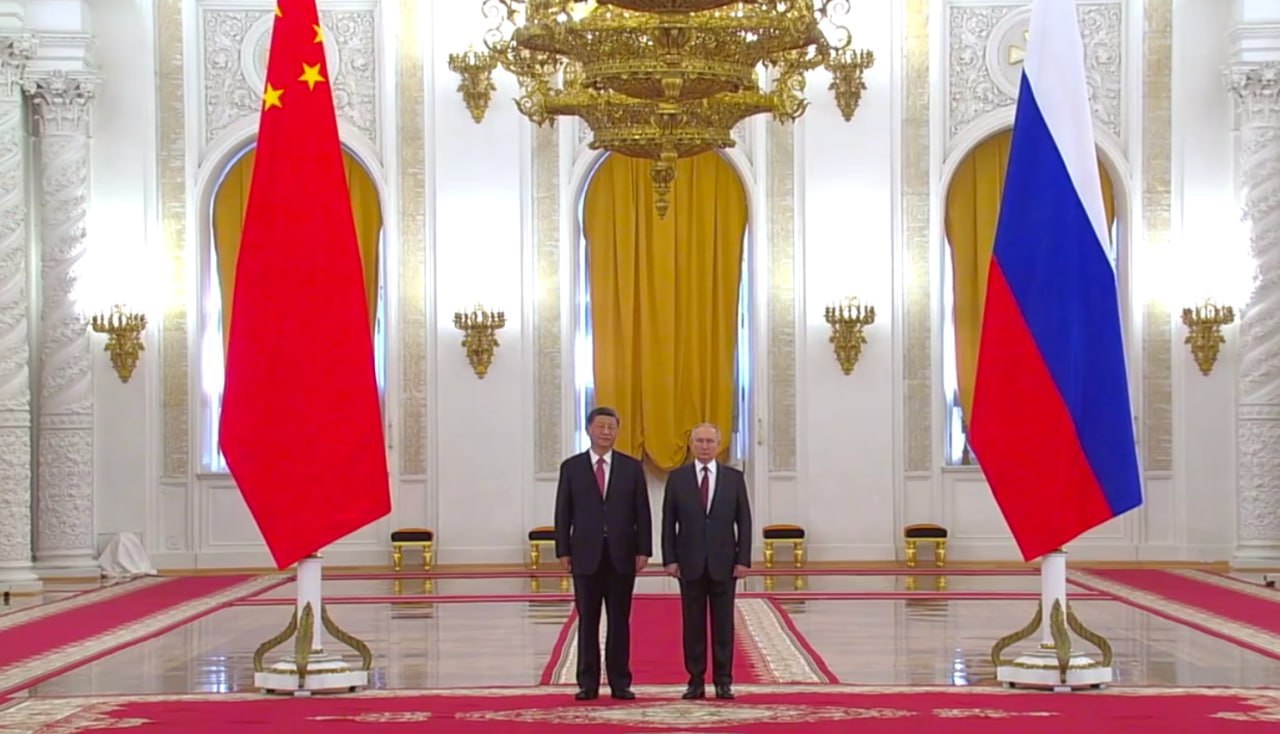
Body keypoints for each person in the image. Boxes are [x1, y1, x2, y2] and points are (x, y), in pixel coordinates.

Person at [554, 406, 652, 701]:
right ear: (589, 429)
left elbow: (642, 512)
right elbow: (563, 512)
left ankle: (620, 682)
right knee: (588, 621)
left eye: (611, 427)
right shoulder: (571, 468)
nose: (606, 432)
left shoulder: (631, 468)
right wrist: (563, 550)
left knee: (619, 621)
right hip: (585, 555)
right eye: (601, 426)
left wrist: (644, 549)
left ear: (617, 431)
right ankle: (588, 683)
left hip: (622, 555)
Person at [661, 422, 752, 700]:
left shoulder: (734, 478)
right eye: (699, 441)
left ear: (718, 445)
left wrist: (743, 559)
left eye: (709, 441)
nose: (704, 446)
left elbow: (744, 521)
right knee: (693, 625)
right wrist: (670, 559)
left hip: (724, 563)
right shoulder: (678, 479)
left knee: (723, 624)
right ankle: (696, 680)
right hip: (689, 563)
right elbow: (668, 522)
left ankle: (723, 681)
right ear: (691, 444)